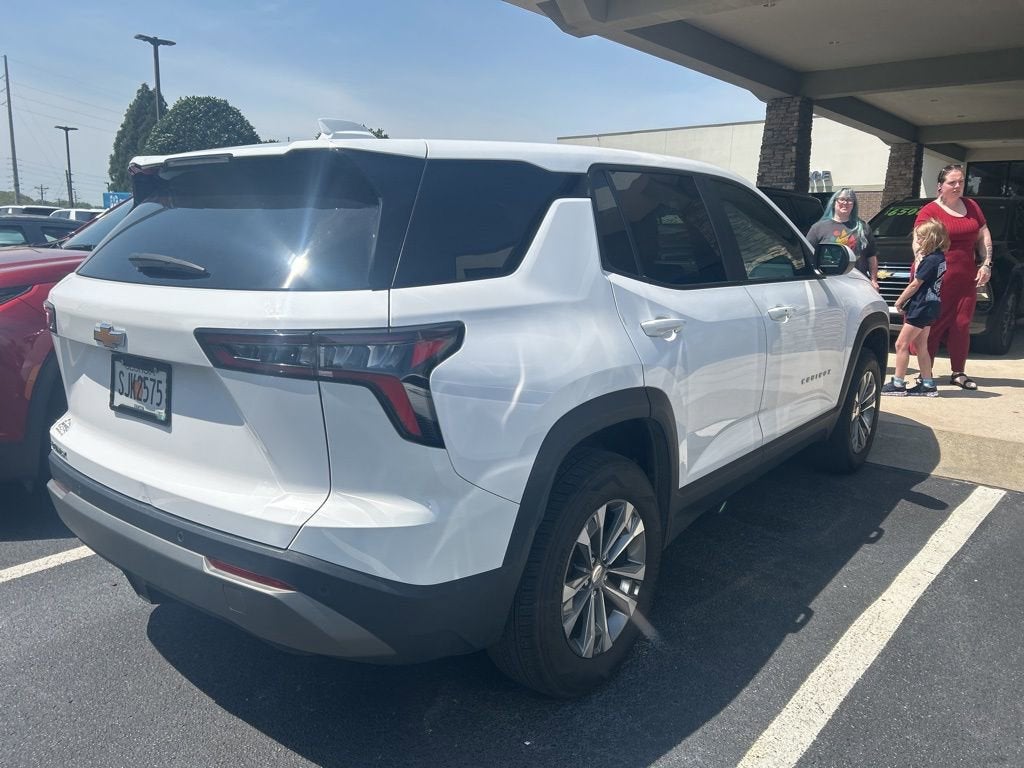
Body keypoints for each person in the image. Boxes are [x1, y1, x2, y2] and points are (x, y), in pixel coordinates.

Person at [912, 164, 992, 390]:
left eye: (961, 182)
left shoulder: (972, 206)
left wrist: (986, 264)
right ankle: (925, 374)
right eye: (952, 182)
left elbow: (983, 235)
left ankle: (958, 372)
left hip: (965, 277)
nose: (958, 186)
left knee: (962, 324)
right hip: (937, 277)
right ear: (940, 186)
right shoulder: (930, 211)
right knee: (932, 326)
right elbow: (918, 241)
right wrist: (922, 268)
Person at [882, 218, 948, 397]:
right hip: (932, 305)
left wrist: (899, 301)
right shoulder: (940, 258)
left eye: (920, 237)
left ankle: (898, 383)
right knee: (921, 345)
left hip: (921, 306)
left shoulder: (931, 260)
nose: (917, 240)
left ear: (931, 238)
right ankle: (927, 384)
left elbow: (915, 284)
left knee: (901, 343)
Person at [806, 188, 879, 290]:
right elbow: (808, 255)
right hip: (829, 284)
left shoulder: (863, 227)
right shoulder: (818, 228)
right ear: (834, 202)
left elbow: (871, 256)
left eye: (850, 200)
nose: (845, 203)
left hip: (858, 283)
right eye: (842, 199)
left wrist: (873, 280)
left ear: (854, 205)